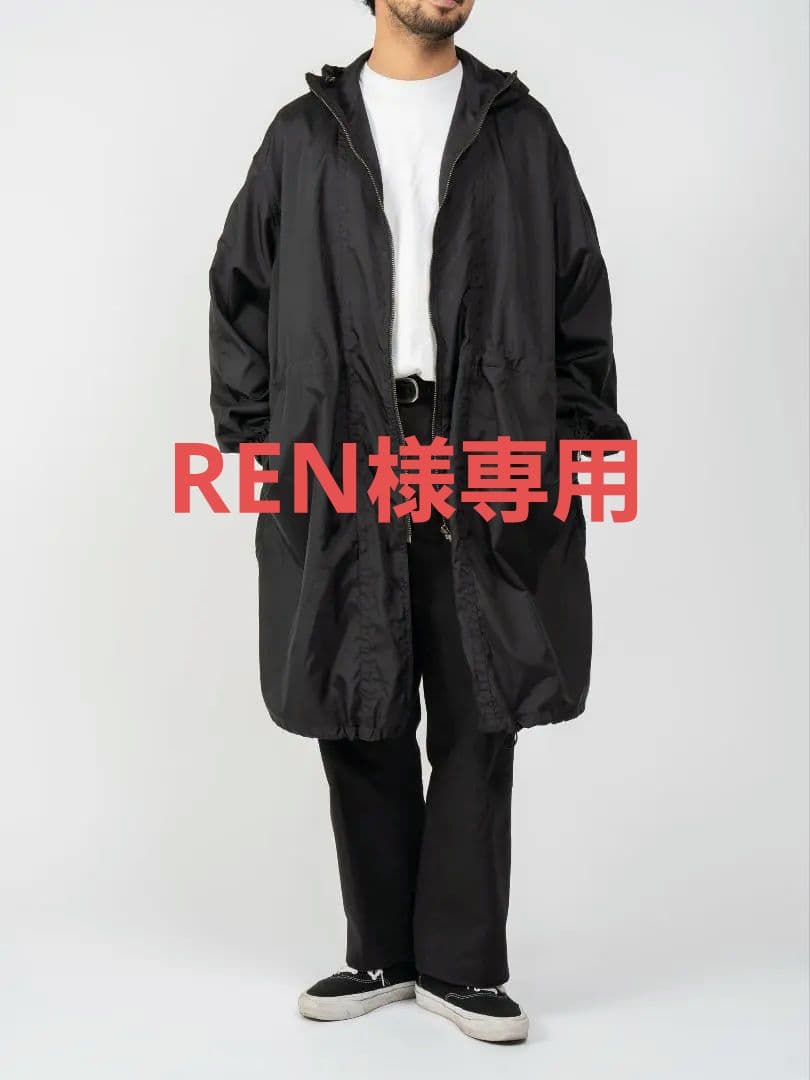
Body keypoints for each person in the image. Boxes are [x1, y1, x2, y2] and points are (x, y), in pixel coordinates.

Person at [209, 0, 630, 1044]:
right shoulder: (306, 136)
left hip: (487, 434)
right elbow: (240, 291)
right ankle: (381, 954)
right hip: (341, 438)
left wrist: (578, 443)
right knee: (358, 692)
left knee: (485, 695)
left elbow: (578, 294)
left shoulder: (517, 131)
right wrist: (260, 443)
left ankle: (463, 966)